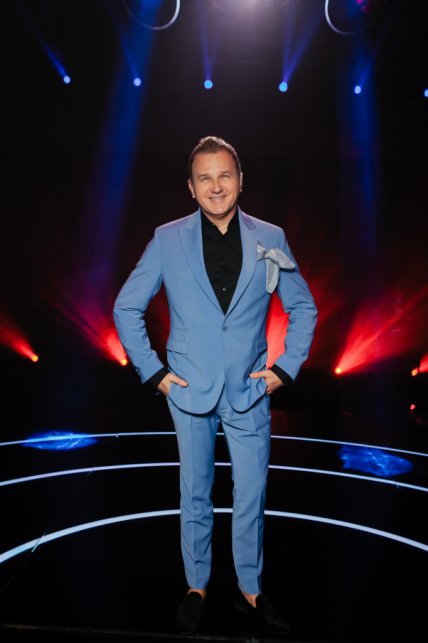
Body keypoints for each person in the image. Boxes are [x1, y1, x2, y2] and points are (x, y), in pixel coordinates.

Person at [113, 136, 317, 636]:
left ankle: (250, 590)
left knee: (252, 492)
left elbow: (303, 307)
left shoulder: (271, 236)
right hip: (188, 389)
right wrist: (156, 374)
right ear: (191, 187)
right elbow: (126, 306)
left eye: (225, 175)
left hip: (250, 389)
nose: (216, 186)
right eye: (205, 178)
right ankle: (197, 587)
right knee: (195, 492)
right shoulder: (167, 239)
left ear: (240, 179)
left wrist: (286, 367)